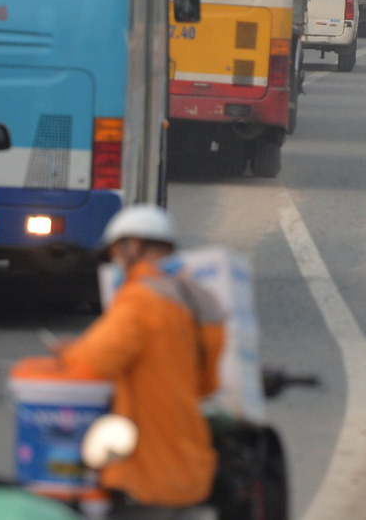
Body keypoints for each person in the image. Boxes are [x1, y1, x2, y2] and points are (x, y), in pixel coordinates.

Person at [52, 204, 226, 519]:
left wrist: (68, 353)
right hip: (190, 464)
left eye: (117, 254)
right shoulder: (195, 299)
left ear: (133, 246)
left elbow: (94, 362)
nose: (116, 263)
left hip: (148, 473)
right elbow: (206, 385)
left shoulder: (140, 300)